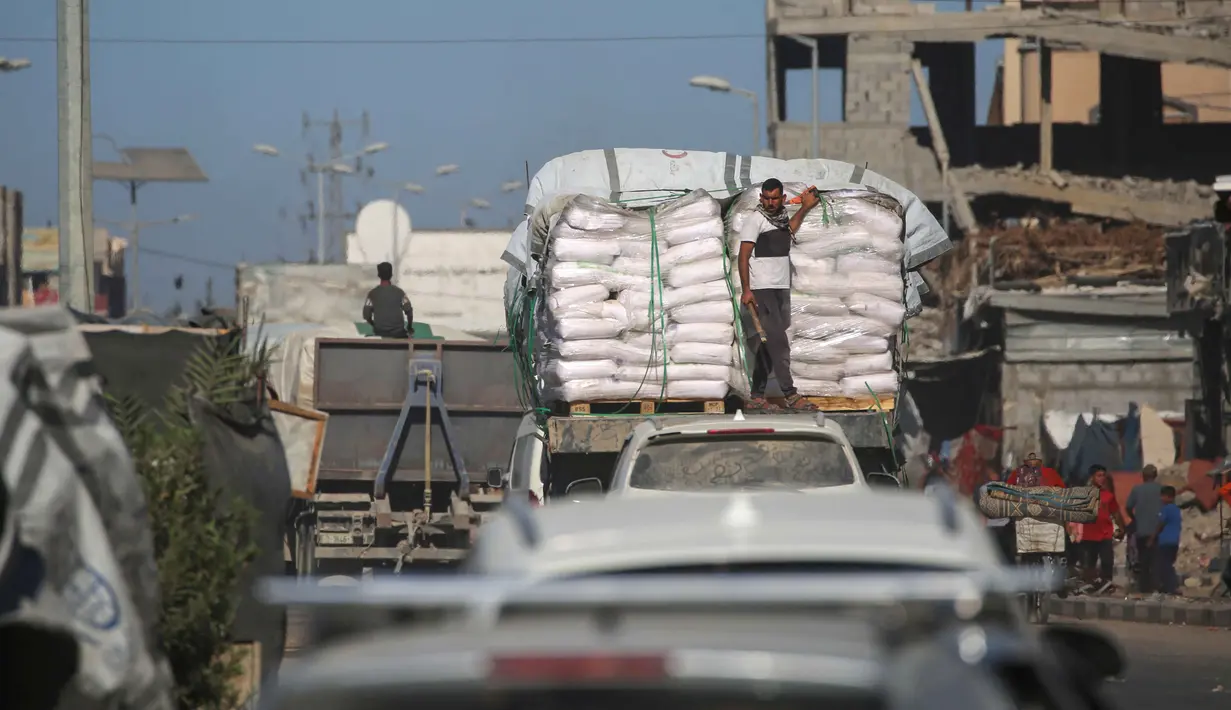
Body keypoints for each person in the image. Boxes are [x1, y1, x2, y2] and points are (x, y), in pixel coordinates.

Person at [737, 179, 822, 412]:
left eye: (775, 198)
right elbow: (743, 256)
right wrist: (747, 290)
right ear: (761, 198)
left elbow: (788, 231)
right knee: (779, 343)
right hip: (761, 290)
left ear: (782, 199)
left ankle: (756, 396)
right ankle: (791, 394)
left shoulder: (781, 218)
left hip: (781, 289)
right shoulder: (755, 220)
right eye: (766, 198)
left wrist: (805, 208)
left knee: (769, 343)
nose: (770, 202)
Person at [1079, 465, 1126, 592]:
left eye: (1103, 476)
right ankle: (1090, 584)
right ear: (1092, 477)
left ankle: (1106, 584)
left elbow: (1115, 513)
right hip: (1089, 534)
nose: (1102, 478)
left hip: (1104, 533)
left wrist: (1121, 528)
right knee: (1089, 562)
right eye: (1099, 476)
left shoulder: (1108, 496)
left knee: (1107, 560)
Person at [1125, 464, 1162, 594]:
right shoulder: (1161, 489)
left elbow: (1128, 507)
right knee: (1156, 560)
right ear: (1155, 475)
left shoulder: (1136, 490)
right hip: (1158, 531)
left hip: (1142, 531)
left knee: (1143, 560)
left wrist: (1134, 518)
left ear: (1143, 476)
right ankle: (1156, 587)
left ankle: (1144, 588)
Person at [362, 262, 414, 339]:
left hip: (380, 332)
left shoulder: (372, 294)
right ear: (391, 275)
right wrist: (409, 327)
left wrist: (374, 325)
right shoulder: (399, 292)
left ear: (378, 275)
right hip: (398, 334)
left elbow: (366, 315)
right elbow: (409, 311)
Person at [1150, 486, 1183, 597]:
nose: (1161, 498)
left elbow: (1160, 524)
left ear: (1169, 497)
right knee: (1167, 564)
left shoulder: (1166, 509)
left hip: (1165, 541)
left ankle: (1172, 587)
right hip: (1174, 541)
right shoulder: (1177, 509)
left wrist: (1152, 538)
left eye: (1162, 496)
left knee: (1165, 565)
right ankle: (1167, 587)